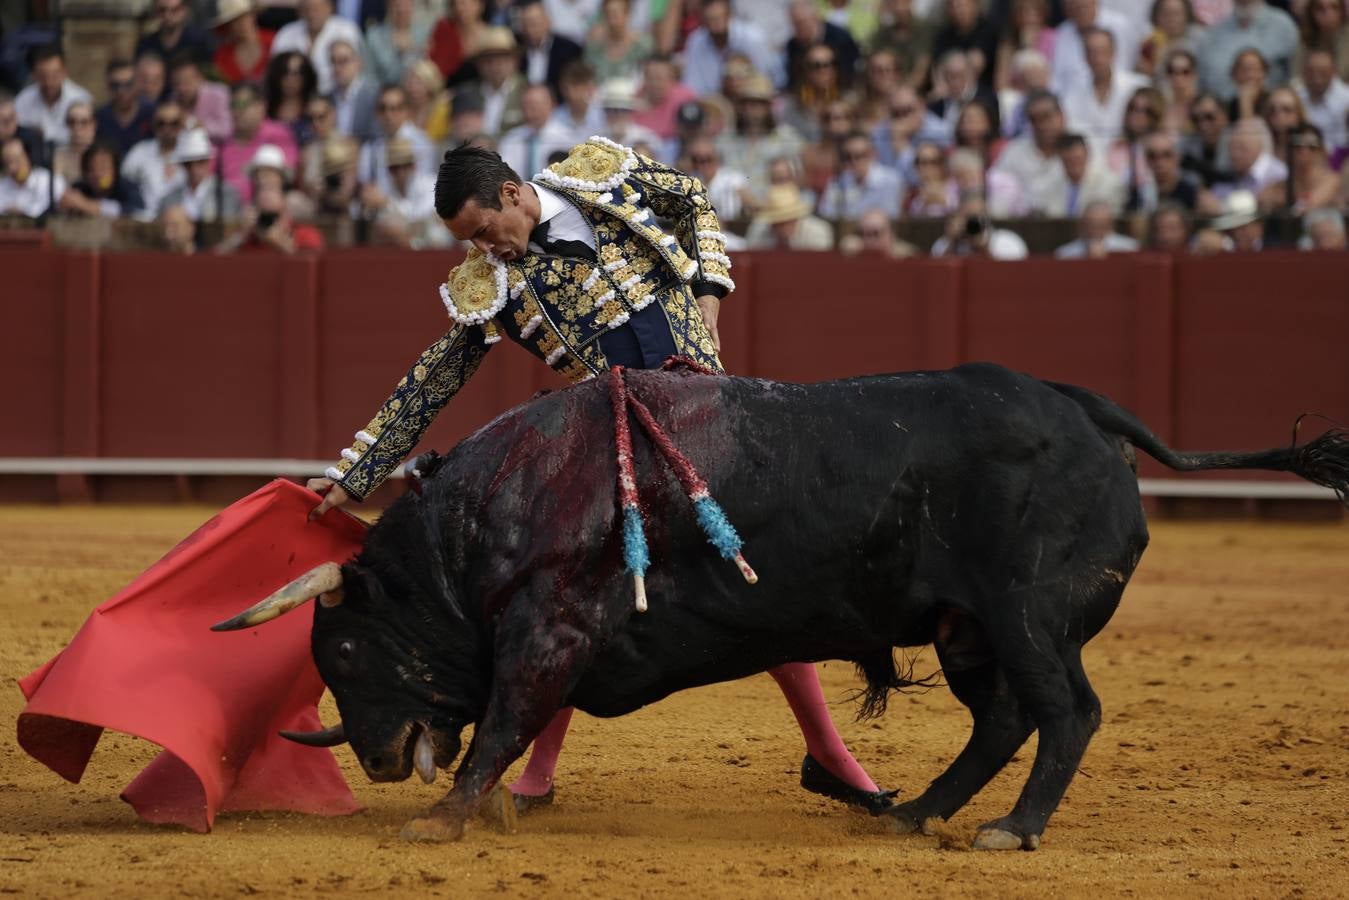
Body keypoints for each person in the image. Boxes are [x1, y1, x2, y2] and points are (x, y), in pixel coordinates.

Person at [304, 139, 893, 817]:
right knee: (568, 595)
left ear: (511, 194)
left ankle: (827, 754)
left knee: (749, 574)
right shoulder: (488, 285)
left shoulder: (596, 175)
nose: (483, 250)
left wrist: (708, 291)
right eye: (469, 243)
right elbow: (435, 377)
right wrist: (355, 473)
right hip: (615, 449)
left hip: (710, 422)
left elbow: (692, 199)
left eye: (483, 231)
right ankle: (536, 776)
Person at [1196, 0, 1298, 100]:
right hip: (1222, 109)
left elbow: (1296, 78)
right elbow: (1202, 82)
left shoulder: (1283, 26)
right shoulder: (1214, 33)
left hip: (1272, 110)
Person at [270, 0, 364, 94]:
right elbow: (276, 70)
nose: (311, 14)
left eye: (316, 8)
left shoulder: (347, 30)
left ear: (329, 7)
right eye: (307, 9)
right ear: (299, 10)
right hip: (294, 95)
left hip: (337, 95)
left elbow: (356, 71)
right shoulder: (286, 33)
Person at [818, 129, 903, 222]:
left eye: (859, 156)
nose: (854, 161)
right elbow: (827, 214)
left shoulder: (890, 180)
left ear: (872, 154)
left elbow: (890, 216)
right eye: (848, 157)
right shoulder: (838, 182)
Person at [158, 127, 242, 220]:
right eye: (188, 164)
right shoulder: (169, 199)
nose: (194, 168)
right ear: (182, 165)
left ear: (208, 161)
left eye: (200, 161)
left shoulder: (226, 194)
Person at [121, 97, 187, 214]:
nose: (167, 129)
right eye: (161, 123)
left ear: (182, 125)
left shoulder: (192, 154)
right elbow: (122, 180)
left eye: (174, 124)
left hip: (181, 222)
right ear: (154, 125)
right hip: (146, 221)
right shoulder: (140, 151)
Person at [14, 45, 92, 144]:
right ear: (33, 75)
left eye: (54, 74)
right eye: (43, 76)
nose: (49, 82)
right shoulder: (22, 101)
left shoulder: (81, 98)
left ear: (64, 72)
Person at [497, 83, 575, 178]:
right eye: (527, 105)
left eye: (537, 104)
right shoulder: (511, 139)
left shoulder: (568, 139)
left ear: (552, 104)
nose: (532, 110)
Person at [930, 189, 1028, 258]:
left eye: (976, 216)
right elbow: (941, 275)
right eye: (968, 217)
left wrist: (983, 247)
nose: (973, 222)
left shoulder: (1007, 242)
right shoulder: (944, 243)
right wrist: (952, 243)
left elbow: (1011, 274)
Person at [59, 142, 145, 219]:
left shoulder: (127, 188)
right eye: (92, 168)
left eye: (103, 168)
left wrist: (86, 205)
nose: (98, 174)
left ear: (114, 170)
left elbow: (137, 211)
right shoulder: (79, 188)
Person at [516, 0, 583, 98]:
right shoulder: (518, 50)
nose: (529, 30)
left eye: (534, 23)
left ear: (548, 22)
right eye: (525, 25)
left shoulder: (569, 50)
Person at [95, 59, 156, 157]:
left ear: (137, 84)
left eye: (128, 84)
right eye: (115, 85)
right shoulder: (100, 117)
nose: (121, 91)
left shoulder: (152, 114)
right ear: (108, 86)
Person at [745, 182, 833, 249]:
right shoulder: (758, 231)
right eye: (777, 222)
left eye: (786, 221)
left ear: (796, 218)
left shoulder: (817, 232)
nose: (781, 227)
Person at [364, 0, 432, 87]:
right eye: (396, 5)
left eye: (406, 5)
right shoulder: (374, 36)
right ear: (388, 8)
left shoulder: (425, 33)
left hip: (418, 94)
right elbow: (369, 75)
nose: (401, 9)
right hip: (384, 94)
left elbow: (428, 72)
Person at [170, 50, 231, 143]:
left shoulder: (219, 93)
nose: (181, 89)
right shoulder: (173, 99)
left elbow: (227, 130)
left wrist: (200, 126)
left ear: (200, 78)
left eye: (187, 82)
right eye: (177, 84)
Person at [584, 0, 652, 83]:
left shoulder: (643, 45)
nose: (611, 20)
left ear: (627, 14)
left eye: (615, 14)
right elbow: (588, 77)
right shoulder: (594, 46)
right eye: (607, 14)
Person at [1296, 49, 1349, 152]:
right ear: (1304, 72)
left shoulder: (1347, 99)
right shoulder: (1296, 98)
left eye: (1323, 72)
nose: (1317, 78)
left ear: (1334, 71)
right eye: (1311, 72)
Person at [0, 135, 64, 217]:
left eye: (16, 160)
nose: (12, 168)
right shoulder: (2, 187)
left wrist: (23, 213)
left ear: (29, 157)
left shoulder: (49, 182)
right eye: (7, 163)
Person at [212, 0, 274, 85]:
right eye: (234, 20)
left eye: (244, 16)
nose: (240, 23)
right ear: (227, 26)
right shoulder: (222, 55)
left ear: (253, 15)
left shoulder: (274, 41)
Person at [325, 40, 377, 142]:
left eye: (343, 61)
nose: (337, 68)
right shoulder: (327, 98)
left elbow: (377, 137)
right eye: (333, 61)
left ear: (358, 63)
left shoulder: (374, 95)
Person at [136, 0, 215, 65]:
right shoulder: (146, 44)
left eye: (175, 10)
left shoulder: (199, 42)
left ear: (185, 10)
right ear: (155, 11)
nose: (167, 15)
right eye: (162, 10)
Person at [1054, 199, 1140, 256]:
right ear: (1082, 226)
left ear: (1110, 226)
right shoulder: (1065, 254)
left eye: (1101, 226)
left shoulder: (1130, 249)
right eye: (1091, 226)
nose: (1095, 232)